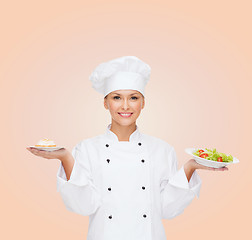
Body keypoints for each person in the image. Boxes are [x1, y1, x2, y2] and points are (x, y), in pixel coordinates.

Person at [26, 56, 228, 240]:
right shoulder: (87, 148)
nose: (125, 106)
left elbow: (167, 209)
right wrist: (66, 159)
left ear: (143, 103)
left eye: (133, 97)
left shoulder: (162, 149)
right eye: (116, 97)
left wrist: (189, 168)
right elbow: (83, 206)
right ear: (105, 103)